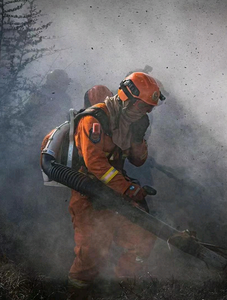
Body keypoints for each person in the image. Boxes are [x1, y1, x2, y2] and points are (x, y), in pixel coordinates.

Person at [67, 72, 166, 299]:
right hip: (88, 193)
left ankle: (124, 288)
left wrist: (139, 138)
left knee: (143, 237)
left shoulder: (130, 123)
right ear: (126, 98)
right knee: (92, 254)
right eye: (143, 107)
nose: (146, 112)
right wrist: (128, 189)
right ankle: (77, 294)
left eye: (150, 109)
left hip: (117, 193)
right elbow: (95, 164)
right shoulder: (93, 119)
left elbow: (138, 161)